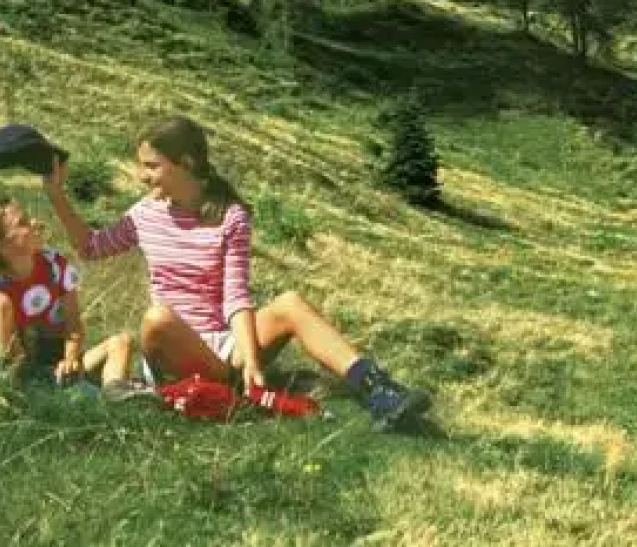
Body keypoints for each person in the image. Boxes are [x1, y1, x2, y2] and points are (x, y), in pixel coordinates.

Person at [42, 115, 432, 429]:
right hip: (175, 347)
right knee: (156, 319)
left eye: (151, 167)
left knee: (290, 304)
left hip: (225, 344)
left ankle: (377, 391)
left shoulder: (231, 215)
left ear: (186, 164)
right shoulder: (145, 214)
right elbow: (91, 247)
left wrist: (249, 357)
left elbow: (236, 296)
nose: (142, 176)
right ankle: (244, 389)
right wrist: (56, 195)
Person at [0, 198, 140, 394]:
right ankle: (2, 380)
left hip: (59, 367)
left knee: (122, 341)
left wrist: (70, 358)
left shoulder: (55, 267)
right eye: (23, 223)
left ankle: (115, 392)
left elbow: (73, 325)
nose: (36, 223)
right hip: (19, 366)